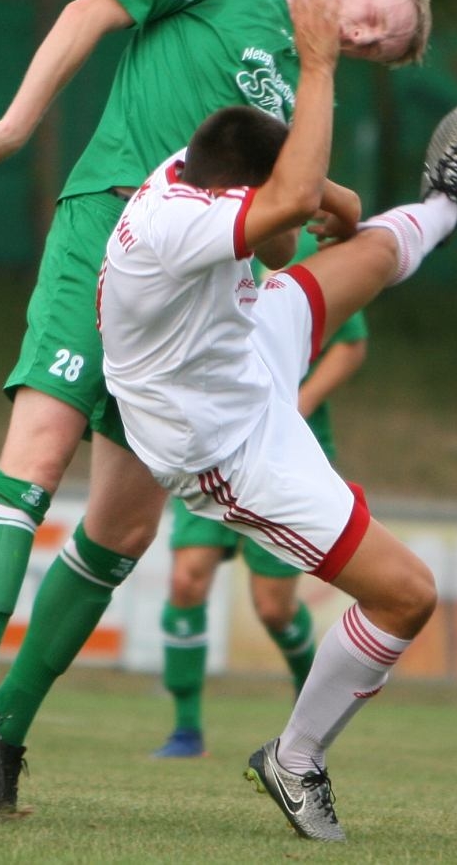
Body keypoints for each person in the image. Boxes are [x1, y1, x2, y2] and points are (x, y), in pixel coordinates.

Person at [0, 0, 433, 814]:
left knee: (124, 530)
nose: (362, 39)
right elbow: (92, 10)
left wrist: (329, 203)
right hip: (112, 230)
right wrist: (15, 125)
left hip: (188, 324)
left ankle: (6, 734)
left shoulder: (302, 82)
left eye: (376, 48)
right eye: (373, 18)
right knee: (39, 454)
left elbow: (279, 227)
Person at [97, 0, 457, 839]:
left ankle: (440, 209)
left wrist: (344, 207)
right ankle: (296, 758)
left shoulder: (196, 170)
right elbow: (291, 205)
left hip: (236, 346)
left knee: (371, 254)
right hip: (224, 445)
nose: (290, 225)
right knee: (407, 596)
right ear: (243, 196)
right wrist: (317, 66)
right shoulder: (176, 226)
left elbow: (302, 203)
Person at [154, 228, 368, 759]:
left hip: (283, 451)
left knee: (273, 608)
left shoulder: (312, 247)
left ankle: (307, 700)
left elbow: (351, 343)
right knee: (186, 579)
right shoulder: (212, 234)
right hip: (212, 441)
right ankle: (185, 729)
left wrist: (299, 400)